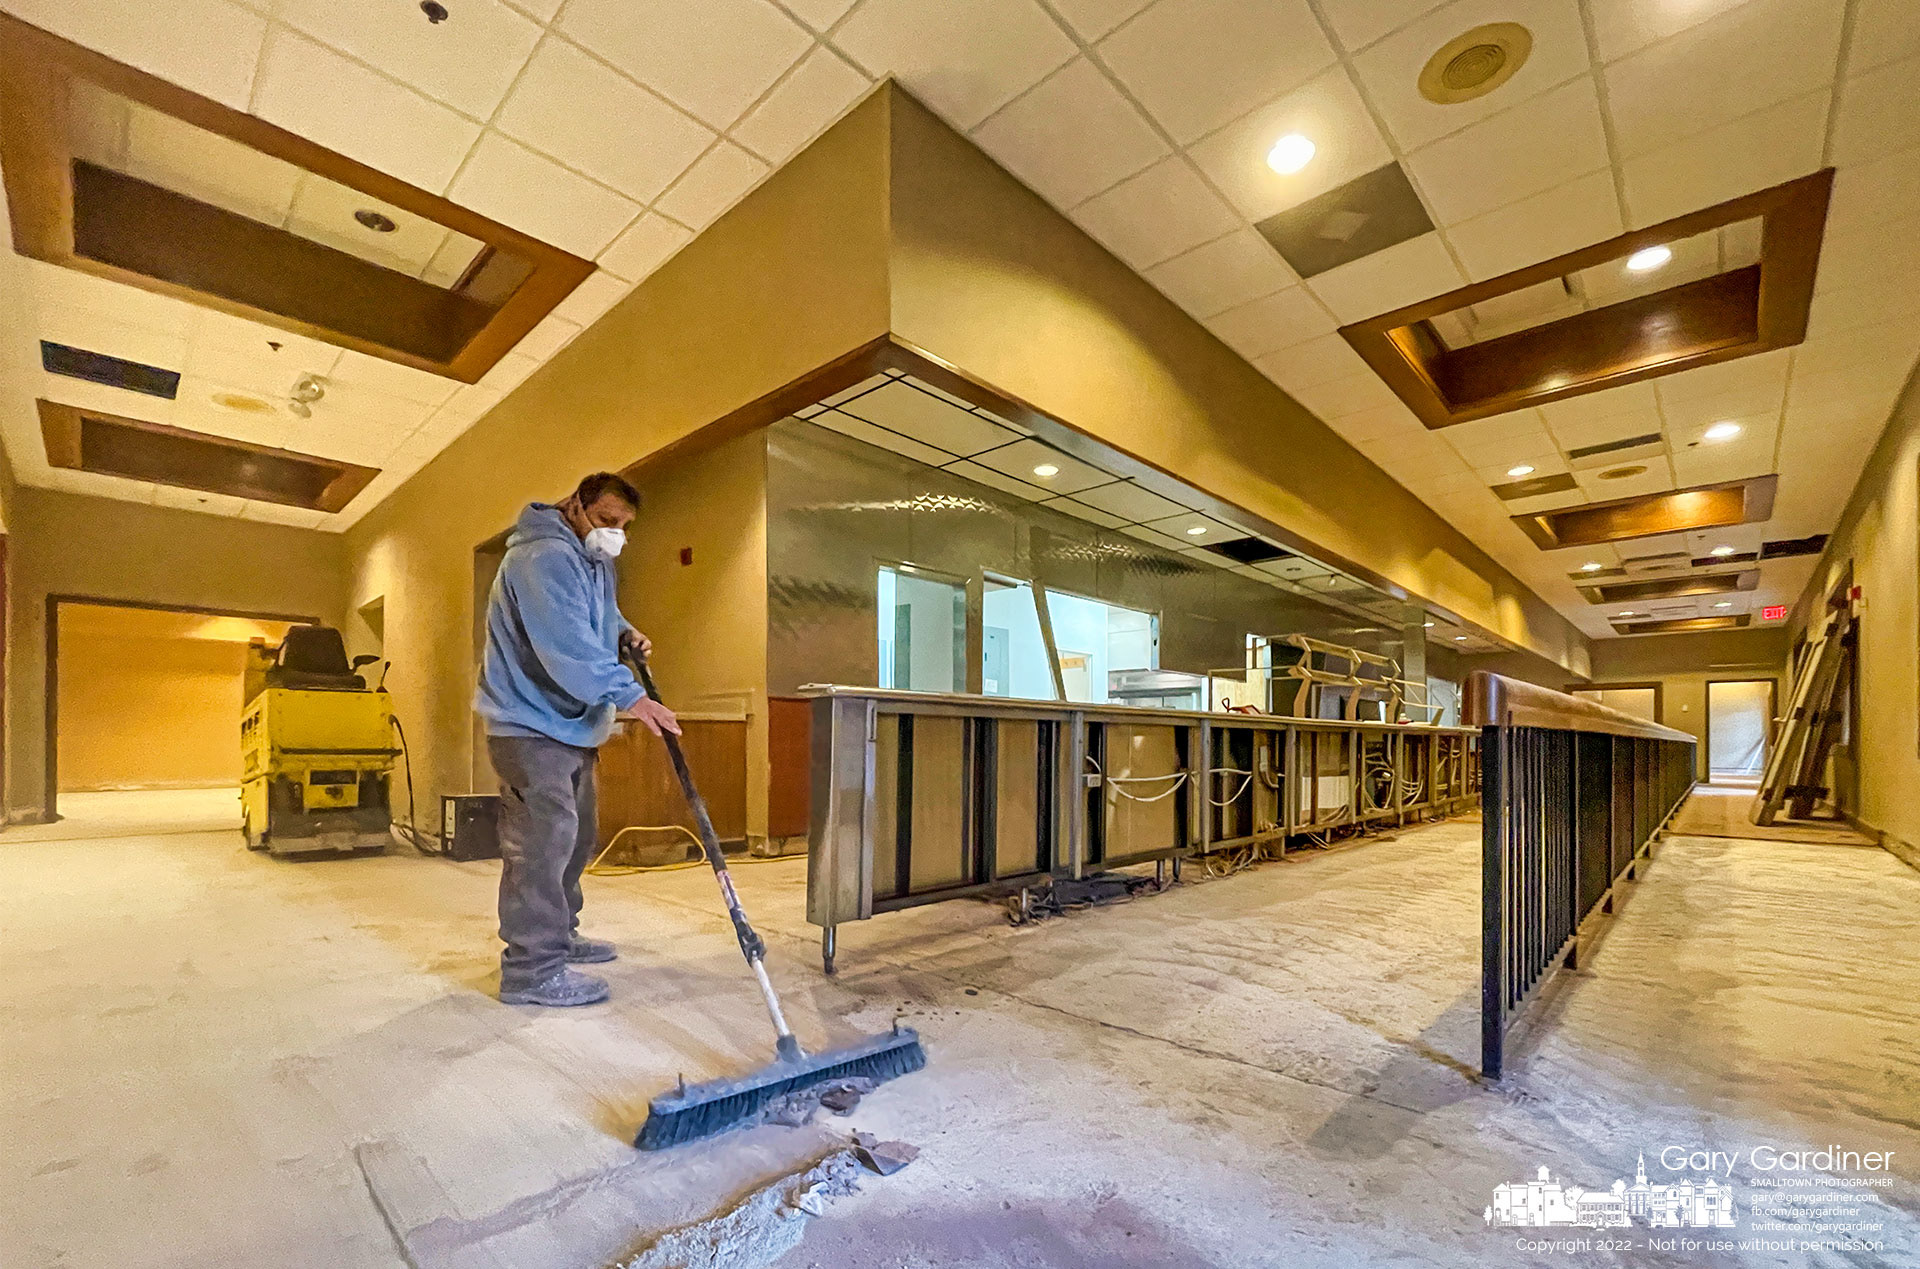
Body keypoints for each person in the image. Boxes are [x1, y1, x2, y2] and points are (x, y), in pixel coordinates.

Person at [476, 472, 680, 1007]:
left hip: (569, 724)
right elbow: (565, 645)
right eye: (608, 521)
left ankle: (560, 934)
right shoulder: (541, 557)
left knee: (576, 835)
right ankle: (531, 970)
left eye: (624, 526)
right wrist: (631, 695)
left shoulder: (591, 559)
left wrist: (622, 631)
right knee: (542, 847)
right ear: (575, 506)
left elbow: (597, 616)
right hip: (529, 724)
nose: (615, 534)